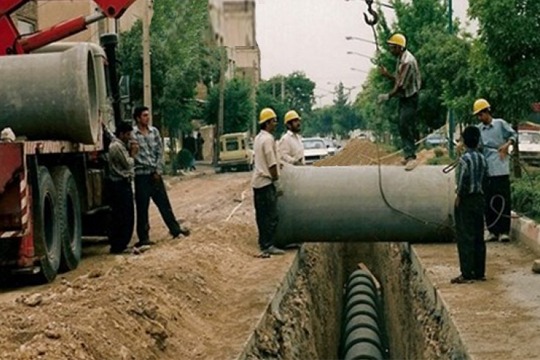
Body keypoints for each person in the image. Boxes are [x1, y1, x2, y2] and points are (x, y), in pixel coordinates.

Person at [132, 106, 190, 248]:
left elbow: (160, 151)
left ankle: (175, 230)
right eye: (144, 115)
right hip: (141, 175)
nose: (147, 117)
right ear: (138, 118)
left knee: (164, 204)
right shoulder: (133, 134)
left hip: (155, 174)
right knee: (142, 208)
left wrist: (158, 169)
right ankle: (144, 237)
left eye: (148, 115)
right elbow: (133, 155)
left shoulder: (154, 132)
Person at [473, 98, 517, 243]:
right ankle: (492, 230)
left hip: (501, 169)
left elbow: (514, 135)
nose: (480, 118)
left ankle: (504, 231)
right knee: (488, 202)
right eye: (478, 116)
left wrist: (506, 145)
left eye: (481, 115)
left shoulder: (500, 124)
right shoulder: (479, 129)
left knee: (503, 201)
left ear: (487, 112)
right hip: (487, 171)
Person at [378, 33, 422, 171]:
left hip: (410, 97)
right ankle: (408, 154)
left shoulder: (408, 61)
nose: (390, 50)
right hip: (404, 97)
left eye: (392, 47)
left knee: (405, 124)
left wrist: (387, 96)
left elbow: (401, 86)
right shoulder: (401, 59)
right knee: (402, 125)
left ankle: (411, 157)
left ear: (399, 47)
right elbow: (398, 80)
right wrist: (388, 75)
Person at [452, 126, 488, 284]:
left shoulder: (464, 159)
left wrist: (459, 197)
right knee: (479, 235)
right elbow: (486, 178)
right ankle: (479, 272)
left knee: (465, 236)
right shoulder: (482, 158)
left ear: (465, 141)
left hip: (466, 200)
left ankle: (466, 273)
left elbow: (462, 181)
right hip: (479, 200)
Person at [252, 108, 285, 256]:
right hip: (266, 182)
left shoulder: (258, 138)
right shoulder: (268, 139)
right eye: (273, 121)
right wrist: (276, 180)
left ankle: (262, 242)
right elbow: (271, 163)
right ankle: (268, 245)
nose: (275, 124)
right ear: (267, 123)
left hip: (257, 182)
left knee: (261, 215)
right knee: (271, 216)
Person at [108, 121, 138, 254]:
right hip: (120, 184)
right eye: (127, 134)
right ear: (121, 134)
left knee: (124, 215)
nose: (129, 137)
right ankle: (119, 245)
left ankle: (121, 244)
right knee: (124, 215)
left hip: (121, 183)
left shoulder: (119, 145)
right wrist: (133, 154)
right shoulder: (117, 147)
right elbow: (127, 164)